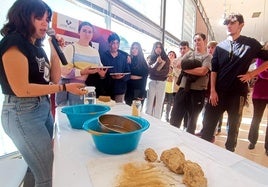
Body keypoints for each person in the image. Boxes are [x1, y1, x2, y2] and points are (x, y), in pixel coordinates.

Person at [0, 0, 86, 186]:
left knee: (37, 167)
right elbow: (22, 89)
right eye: (38, 18)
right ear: (23, 17)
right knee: (47, 175)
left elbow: (55, 78)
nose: (44, 24)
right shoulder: (14, 42)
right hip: (21, 112)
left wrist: (54, 47)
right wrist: (64, 88)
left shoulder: (37, 47)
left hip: (41, 108)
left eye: (46, 19)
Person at [201, 13, 268, 152]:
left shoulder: (251, 44)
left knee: (233, 129)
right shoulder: (220, 47)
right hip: (218, 93)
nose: (229, 26)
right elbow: (215, 70)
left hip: (237, 94)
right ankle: (204, 154)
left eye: (232, 23)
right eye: (227, 23)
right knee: (207, 126)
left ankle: (228, 157)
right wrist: (212, 90)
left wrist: (252, 74)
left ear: (241, 25)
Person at [56, 21, 106, 106]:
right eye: (84, 31)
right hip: (73, 90)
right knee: (74, 115)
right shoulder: (71, 48)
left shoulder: (95, 52)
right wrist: (83, 72)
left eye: (90, 32)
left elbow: (99, 68)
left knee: (88, 115)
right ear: (79, 32)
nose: (87, 34)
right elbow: (63, 72)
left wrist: (102, 75)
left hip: (90, 90)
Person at [170, 33, 211, 134]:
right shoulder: (189, 54)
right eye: (195, 40)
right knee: (174, 118)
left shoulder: (208, 56)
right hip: (183, 90)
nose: (197, 42)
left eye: (199, 40)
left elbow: (203, 71)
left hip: (197, 93)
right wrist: (191, 68)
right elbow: (178, 65)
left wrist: (186, 69)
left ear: (204, 41)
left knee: (191, 123)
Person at [241, 42, 268, 154]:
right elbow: (263, 75)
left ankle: (267, 147)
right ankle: (252, 140)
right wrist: (262, 70)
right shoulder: (262, 56)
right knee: (257, 118)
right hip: (259, 94)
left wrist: (263, 70)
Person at [100, 32, 130, 102]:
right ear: (109, 43)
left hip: (120, 90)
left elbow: (128, 73)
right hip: (106, 89)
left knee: (118, 111)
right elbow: (100, 73)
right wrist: (103, 76)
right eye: (113, 43)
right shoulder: (103, 56)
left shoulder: (123, 57)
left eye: (117, 43)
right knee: (107, 111)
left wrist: (122, 77)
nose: (115, 45)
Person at [145, 41, 170, 119]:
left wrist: (155, 72)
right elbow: (149, 71)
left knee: (159, 104)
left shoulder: (166, 58)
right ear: (154, 48)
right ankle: (147, 120)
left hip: (161, 82)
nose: (158, 49)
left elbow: (165, 72)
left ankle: (157, 122)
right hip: (151, 82)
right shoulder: (150, 57)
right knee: (149, 103)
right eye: (156, 47)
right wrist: (156, 63)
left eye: (160, 47)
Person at [163, 51, 177, 122]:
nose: (171, 56)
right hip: (164, 85)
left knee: (169, 102)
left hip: (172, 86)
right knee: (162, 101)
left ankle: (167, 117)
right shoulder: (165, 64)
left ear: (175, 57)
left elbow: (176, 74)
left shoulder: (175, 65)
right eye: (170, 55)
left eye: (172, 55)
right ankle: (159, 115)